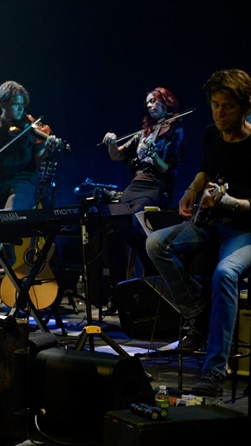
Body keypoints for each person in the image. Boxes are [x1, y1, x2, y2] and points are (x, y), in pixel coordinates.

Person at [145, 68, 251, 397]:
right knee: (156, 243)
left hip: (244, 229)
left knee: (225, 272)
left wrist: (232, 202)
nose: (219, 113)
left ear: (245, 106)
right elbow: (207, 169)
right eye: (215, 106)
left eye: (227, 107)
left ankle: (214, 371)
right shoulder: (210, 133)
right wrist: (191, 189)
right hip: (211, 224)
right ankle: (198, 315)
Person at [102, 87, 186, 313]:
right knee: (111, 230)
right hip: (135, 185)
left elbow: (166, 168)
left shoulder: (174, 131)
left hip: (155, 186)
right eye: (147, 103)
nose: (149, 105)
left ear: (165, 102)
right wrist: (111, 141)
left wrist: (153, 153)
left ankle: (150, 272)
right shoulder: (144, 133)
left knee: (132, 223)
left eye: (153, 101)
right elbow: (117, 154)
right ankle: (116, 292)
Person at [0, 80, 59, 211]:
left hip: (23, 183)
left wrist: (48, 149)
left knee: (9, 214)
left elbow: (40, 163)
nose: (21, 109)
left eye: (22, 105)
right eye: (15, 104)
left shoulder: (31, 130)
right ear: (2, 104)